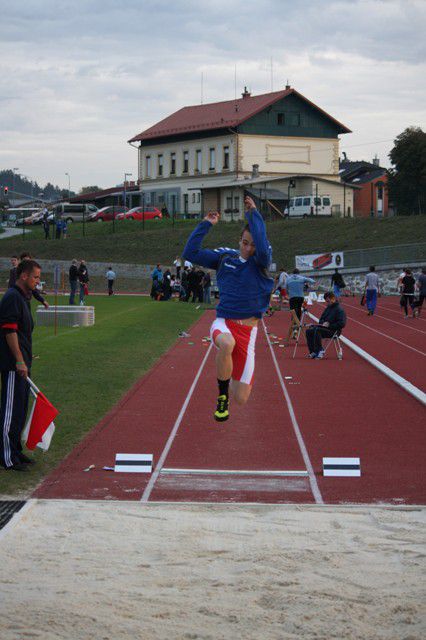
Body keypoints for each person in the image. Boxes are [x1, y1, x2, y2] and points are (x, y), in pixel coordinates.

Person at [183, 195, 274, 422]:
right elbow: (190, 254)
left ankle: (228, 370)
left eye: (253, 244)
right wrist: (205, 224)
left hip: (249, 332)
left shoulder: (261, 262)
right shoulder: (225, 257)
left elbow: (261, 247)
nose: (248, 248)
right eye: (245, 243)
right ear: (239, 240)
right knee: (226, 343)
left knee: (241, 398)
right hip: (224, 323)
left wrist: (253, 213)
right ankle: (221, 396)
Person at [0, 259, 41, 470]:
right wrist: (18, 359)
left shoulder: (24, 298)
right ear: (23, 276)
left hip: (23, 364)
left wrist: (26, 357)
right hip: (12, 365)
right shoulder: (12, 297)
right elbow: (9, 331)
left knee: (20, 410)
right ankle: (7, 457)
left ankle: (16, 451)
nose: (37, 282)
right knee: (9, 412)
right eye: (35, 277)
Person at [306, 291, 346, 359]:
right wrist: (323, 323)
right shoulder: (328, 308)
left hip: (334, 331)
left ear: (333, 298)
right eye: (326, 301)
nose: (327, 303)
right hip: (325, 328)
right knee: (309, 331)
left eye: (328, 301)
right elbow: (321, 319)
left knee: (317, 330)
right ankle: (313, 352)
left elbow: (342, 324)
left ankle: (319, 350)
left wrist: (329, 325)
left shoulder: (339, 310)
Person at [285, 269, 315, 341]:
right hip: (300, 297)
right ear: (298, 273)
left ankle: (294, 330)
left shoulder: (288, 279)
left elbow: (286, 289)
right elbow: (313, 281)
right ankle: (296, 330)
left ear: (292, 273)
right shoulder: (302, 278)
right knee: (298, 311)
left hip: (292, 297)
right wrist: (306, 283)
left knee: (293, 312)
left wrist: (289, 292)